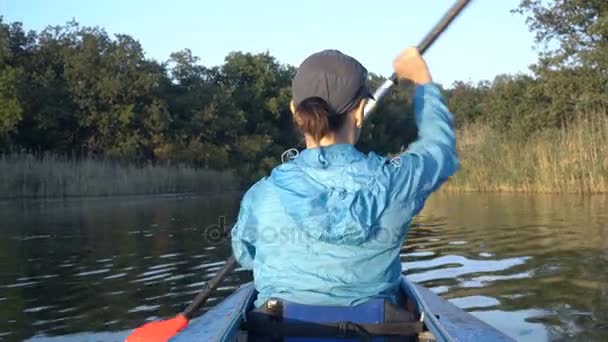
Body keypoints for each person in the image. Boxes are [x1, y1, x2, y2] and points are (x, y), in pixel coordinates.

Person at [231, 47, 459, 308]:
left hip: (278, 330)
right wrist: (421, 79)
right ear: (361, 111)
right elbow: (441, 149)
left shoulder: (261, 195)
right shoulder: (399, 180)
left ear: (296, 112)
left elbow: (245, 255)